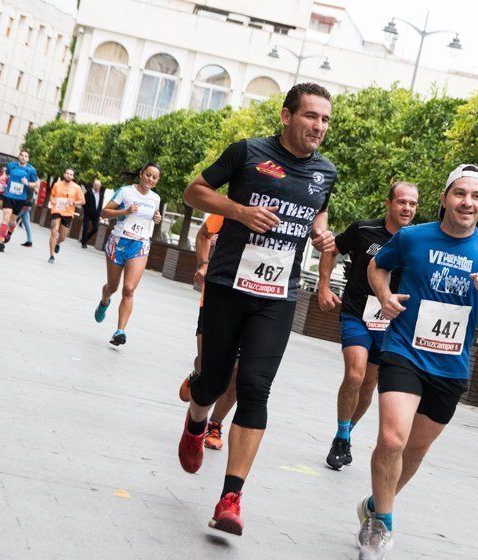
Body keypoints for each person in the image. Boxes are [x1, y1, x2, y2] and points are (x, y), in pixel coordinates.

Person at [178, 82, 336, 536]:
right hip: (228, 284)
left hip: (278, 295)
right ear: (287, 116)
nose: (319, 126)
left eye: (325, 119)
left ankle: (231, 497)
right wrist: (239, 211)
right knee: (211, 381)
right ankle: (195, 423)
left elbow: (318, 211)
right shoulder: (247, 152)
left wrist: (322, 235)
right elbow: (194, 192)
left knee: (254, 387)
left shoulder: (325, 172)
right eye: (311, 116)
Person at [354, 164, 478, 560]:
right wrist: (384, 295)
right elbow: (376, 265)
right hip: (404, 352)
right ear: (445, 198)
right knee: (392, 439)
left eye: (476, 196)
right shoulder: (413, 238)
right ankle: (383, 526)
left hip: (450, 367)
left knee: (413, 451)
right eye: (460, 194)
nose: (468, 202)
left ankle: (376, 506)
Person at [319, 181, 419, 470]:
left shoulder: (417, 240)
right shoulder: (364, 230)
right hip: (356, 312)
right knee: (354, 373)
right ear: (388, 204)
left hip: (390, 322)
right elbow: (331, 249)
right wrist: (323, 287)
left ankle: (346, 433)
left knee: (369, 383)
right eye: (401, 202)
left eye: (412, 204)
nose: (407, 208)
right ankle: (340, 436)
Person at [178, 214, 239, 451]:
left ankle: (214, 424)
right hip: (217, 294)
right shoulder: (231, 204)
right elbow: (204, 234)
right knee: (209, 366)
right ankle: (198, 374)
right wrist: (203, 265)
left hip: (256, 302)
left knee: (237, 370)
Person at [94, 164, 162, 346]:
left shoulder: (156, 198)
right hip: (119, 242)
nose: (150, 179)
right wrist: (125, 211)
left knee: (129, 289)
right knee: (113, 287)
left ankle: (120, 331)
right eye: (148, 175)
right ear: (141, 174)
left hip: (139, 245)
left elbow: (151, 218)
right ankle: (104, 300)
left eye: (154, 177)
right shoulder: (125, 192)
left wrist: (157, 219)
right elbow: (104, 212)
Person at [0, 151, 38, 252]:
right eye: (21, 155)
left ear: (28, 159)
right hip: (8, 195)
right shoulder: (11, 166)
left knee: (12, 222)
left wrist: (28, 183)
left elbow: (36, 184)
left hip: (20, 199)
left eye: (26, 156)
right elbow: (8, 176)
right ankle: (2, 241)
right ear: (18, 156)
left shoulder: (31, 170)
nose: (23, 157)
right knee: (5, 218)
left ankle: (9, 233)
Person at [47, 168, 85, 263]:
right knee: (54, 231)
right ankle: (51, 256)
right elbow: (52, 195)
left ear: (73, 177)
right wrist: (52, 200)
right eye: (67, 173)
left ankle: (58, 243)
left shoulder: (77, 188)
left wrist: (74, 202)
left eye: (71, 174)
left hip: (68, 213)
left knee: (63, 236)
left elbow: (83, 201)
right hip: (56, 210)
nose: (68, 175)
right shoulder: (57, 184)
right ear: (64, 174)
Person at [81, 179, 104, 249]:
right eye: (96, 185)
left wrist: (99, 213)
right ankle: (84, 243)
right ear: (93, 185)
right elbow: (83, 203)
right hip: (87, 214)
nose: (97, 187)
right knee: (85, 227)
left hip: (96, 215)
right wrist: (87, 210)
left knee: (95, 228)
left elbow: (100, 205)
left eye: (98, 186)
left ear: (100, 187)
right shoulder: (88, 192)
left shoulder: (101, 195)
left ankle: (84, 239)